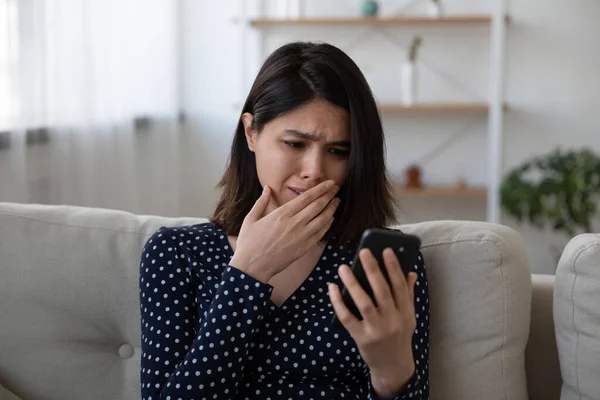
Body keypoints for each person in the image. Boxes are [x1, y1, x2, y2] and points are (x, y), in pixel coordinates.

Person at [139, 41, 430, 400]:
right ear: (251, 133)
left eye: (339, 152)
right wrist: (247, 273)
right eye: (294, 144)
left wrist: (391, 369)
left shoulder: (374, 261)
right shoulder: (177, 253)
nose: (314, 171)